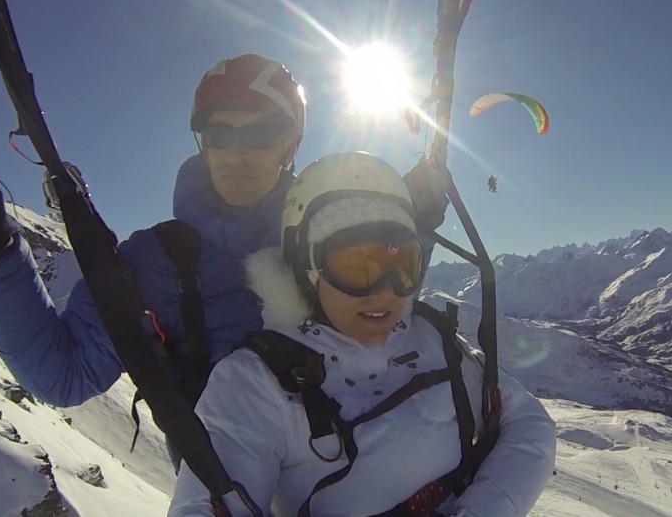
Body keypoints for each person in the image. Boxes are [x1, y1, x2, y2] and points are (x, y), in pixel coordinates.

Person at [167, 152, 556, 516]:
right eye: (356, 265)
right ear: (308, 266)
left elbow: (527, 421)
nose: (386, 291)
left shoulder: (431, 335)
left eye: (402, 264)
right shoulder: (254, 383)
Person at [0, 54, 309, 409]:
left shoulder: (327, 239)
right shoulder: (154, 262)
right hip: (220, 476)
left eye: (259, 135)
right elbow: (65, 374)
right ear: (205, 147)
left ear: (288, 148)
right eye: (220, 136)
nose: (237, 153)